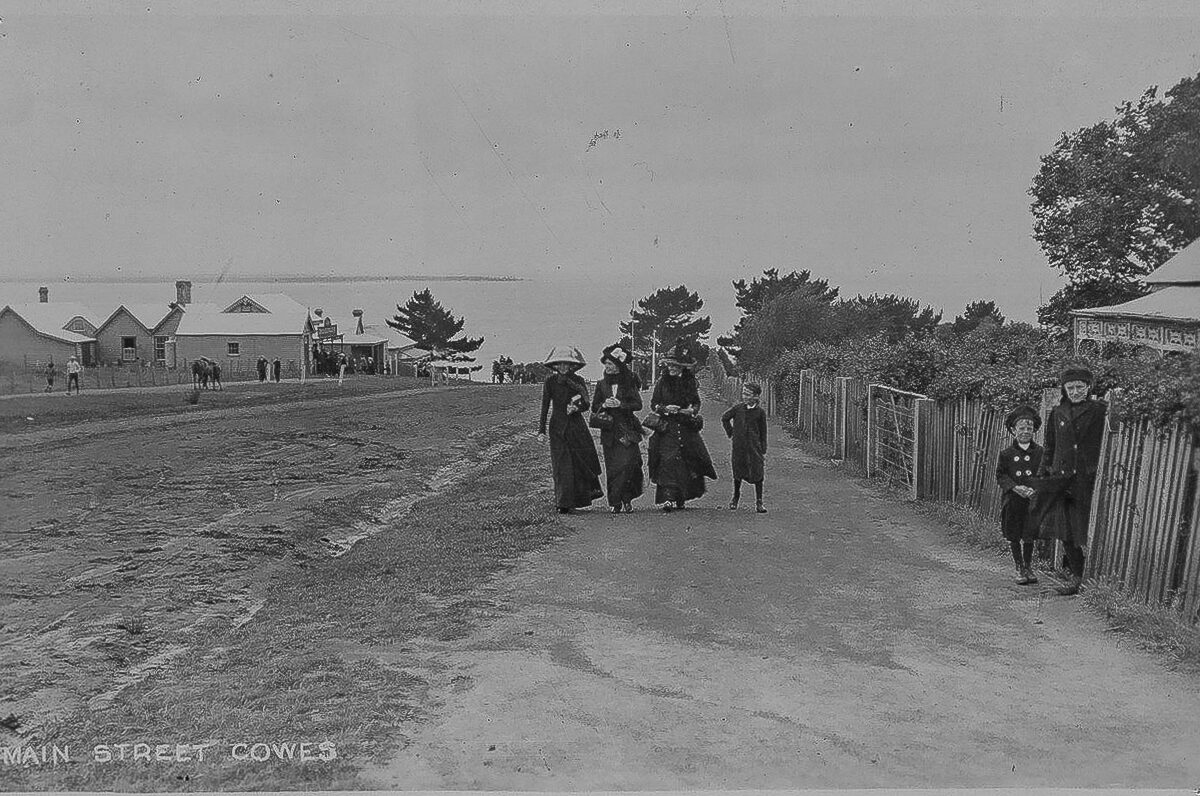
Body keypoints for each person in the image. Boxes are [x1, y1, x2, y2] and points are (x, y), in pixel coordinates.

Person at [1033, 365, 1107, 596]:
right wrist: (1044, 473)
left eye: (1080, 387)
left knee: (1087, 527)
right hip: (1061, 480)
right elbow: (1050, 447)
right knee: (1064, 529)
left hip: (1088, 478)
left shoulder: (1099, 410)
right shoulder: (1057, 413)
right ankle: (1077, 575)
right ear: (1064, 389)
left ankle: (1094, 574)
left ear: (1088, 388)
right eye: (1071, 387)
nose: (1076, 392)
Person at [647, 339, 717, 512]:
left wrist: (690, 411)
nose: (671, 368)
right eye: (670, 365)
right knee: (667, 459)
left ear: (682, 367)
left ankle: (681, 498)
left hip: (685, 427)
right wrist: (665, 408)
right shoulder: (662, 382)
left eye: (675, 366)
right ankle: (668, 499)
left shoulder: (690, 382)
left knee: (686, 461)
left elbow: (696, 403)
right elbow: (654, 404)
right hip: (667, 427)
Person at [537, 345, 603, 513]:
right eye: (559, 364)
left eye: (567, 364)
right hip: (557, 428)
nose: (563, 367)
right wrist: (541, 431)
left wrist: (576, 408)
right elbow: (545, 406)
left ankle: (578, 500)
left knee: (578, 464)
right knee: (561, 466)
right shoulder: (550, 382)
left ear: (573, 365)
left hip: (576, 428)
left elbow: (586, 403)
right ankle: (563, 503)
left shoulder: (579, 382)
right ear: (555, 366)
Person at [591, 343, 644, 513]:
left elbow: (638, 404)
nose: (607, 367)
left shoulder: (629, 383)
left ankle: (627, 498)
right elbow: (594, 407)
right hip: (609, 432)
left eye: (610, 364)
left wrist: (621, 404)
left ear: (618, 366)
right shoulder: (601, 385)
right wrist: (604, 404)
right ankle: (615, 502)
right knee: (613, 468)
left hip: (627, 430)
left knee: (628, 465)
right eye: (606, 364)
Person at [996, 405, 1043, 586]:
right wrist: (1015, 488)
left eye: (1029, 429)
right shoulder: (1006, 454)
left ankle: (1029, 566)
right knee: (1014, 534)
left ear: (1034, 431)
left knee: (1030, 534)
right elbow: (1001, 475)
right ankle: (1019, 567)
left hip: (1032, 501)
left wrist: (1035, 489)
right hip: (1013, 500)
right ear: (1013, 430)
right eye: (1021, 428)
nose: (1025, 432)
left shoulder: (1040, 453)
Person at [721, 382, 768, 513]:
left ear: (756, 396)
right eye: (744, 393)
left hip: (754, 447)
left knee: (758, 473)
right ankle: (735, 497)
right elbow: (725, 418)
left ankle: (759, 502)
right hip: (739, 447)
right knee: (738, 472)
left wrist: (763, 447)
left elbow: (763, 431)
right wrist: (731, 432)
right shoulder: (738, 409)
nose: (745, 396)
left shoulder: (760, 412)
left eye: (748, 394)